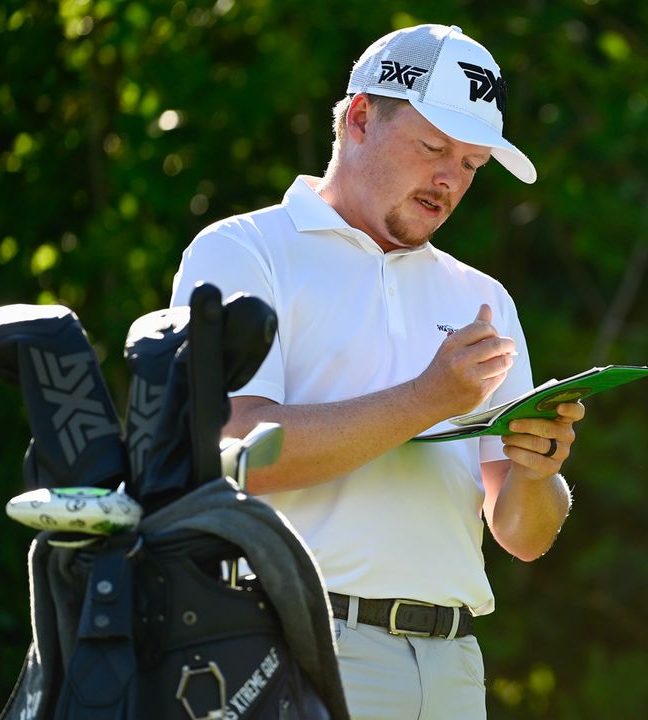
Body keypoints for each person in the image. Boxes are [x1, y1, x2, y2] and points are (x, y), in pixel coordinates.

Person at [169, 23, 583, 719]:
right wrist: (426, 399)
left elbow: (523, 533)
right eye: (433, 148)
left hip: (452, 665)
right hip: (298, 645)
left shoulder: (479, 298)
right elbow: (235, 455)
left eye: (472, 163)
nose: (450, 178)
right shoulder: (245, 252)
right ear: (360, 117)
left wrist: (539, 473)